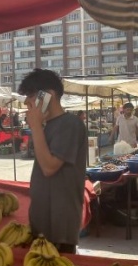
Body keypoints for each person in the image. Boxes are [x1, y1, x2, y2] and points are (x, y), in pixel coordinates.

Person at [18, 68, 88, 254]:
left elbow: (49, 167)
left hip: (59, 227)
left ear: (48, 95)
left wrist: (35, 126)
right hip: (43, 222)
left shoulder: (70, 124)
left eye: (31, 95)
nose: (26, 102)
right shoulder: (47, 126)